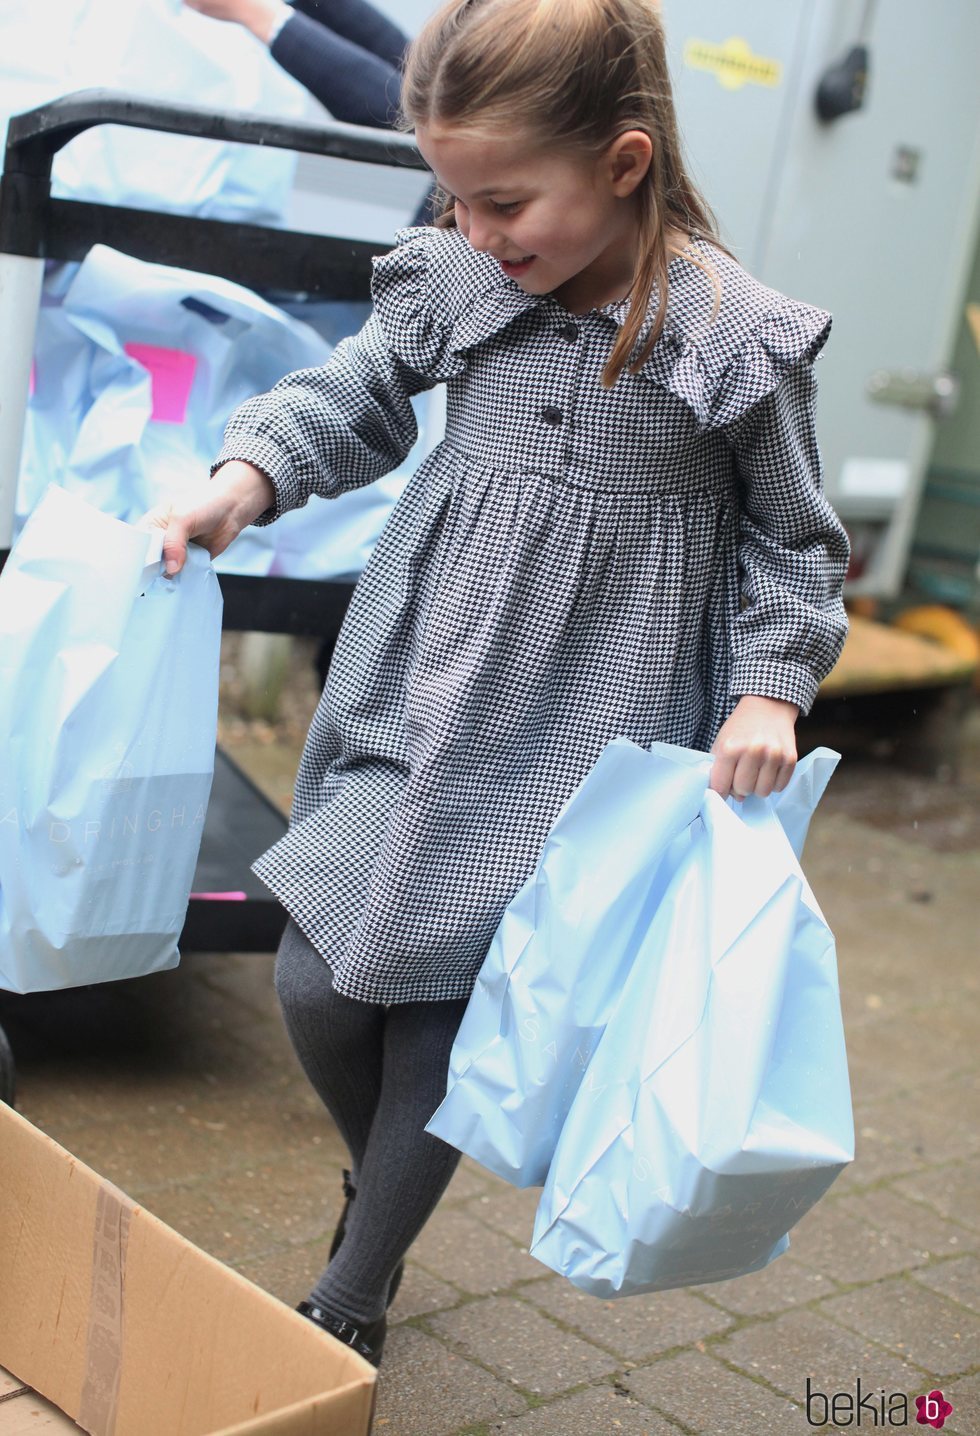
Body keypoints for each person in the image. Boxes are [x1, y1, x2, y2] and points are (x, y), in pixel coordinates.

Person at [155, 0, 849, 1368]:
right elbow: (359, 389)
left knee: (437, 1000)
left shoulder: (728, 335)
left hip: (590, 730)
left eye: (506, 201)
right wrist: (251, 475)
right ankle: (397, 1179)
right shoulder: (465, 279)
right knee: (315, 977)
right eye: (459, 200)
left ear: (626, 162)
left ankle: (354, 1289)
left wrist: (771, 688)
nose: (477, 229)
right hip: (426, 680)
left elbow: (793, 534)